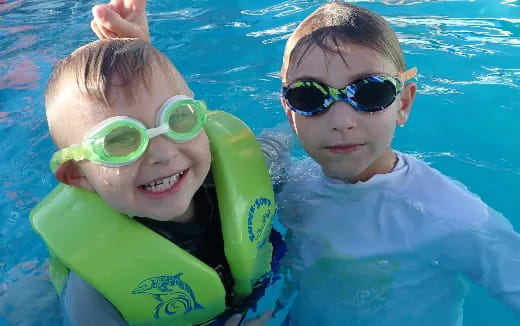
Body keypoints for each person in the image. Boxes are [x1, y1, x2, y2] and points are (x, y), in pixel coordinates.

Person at [89, 1, 520, 325]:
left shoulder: (450, 217)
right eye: (310, 97)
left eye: (369, 94)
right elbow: (186, 158)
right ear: (288, 108)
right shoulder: (288, 180)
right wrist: (140, 63)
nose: (341, 122)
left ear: (403, 103)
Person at [31, 38, 287, 326]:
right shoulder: (94, 289)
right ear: (77, 175)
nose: (163, 153)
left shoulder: (248, 169)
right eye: (120, 140)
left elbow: (286, 142)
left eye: (177, 117)